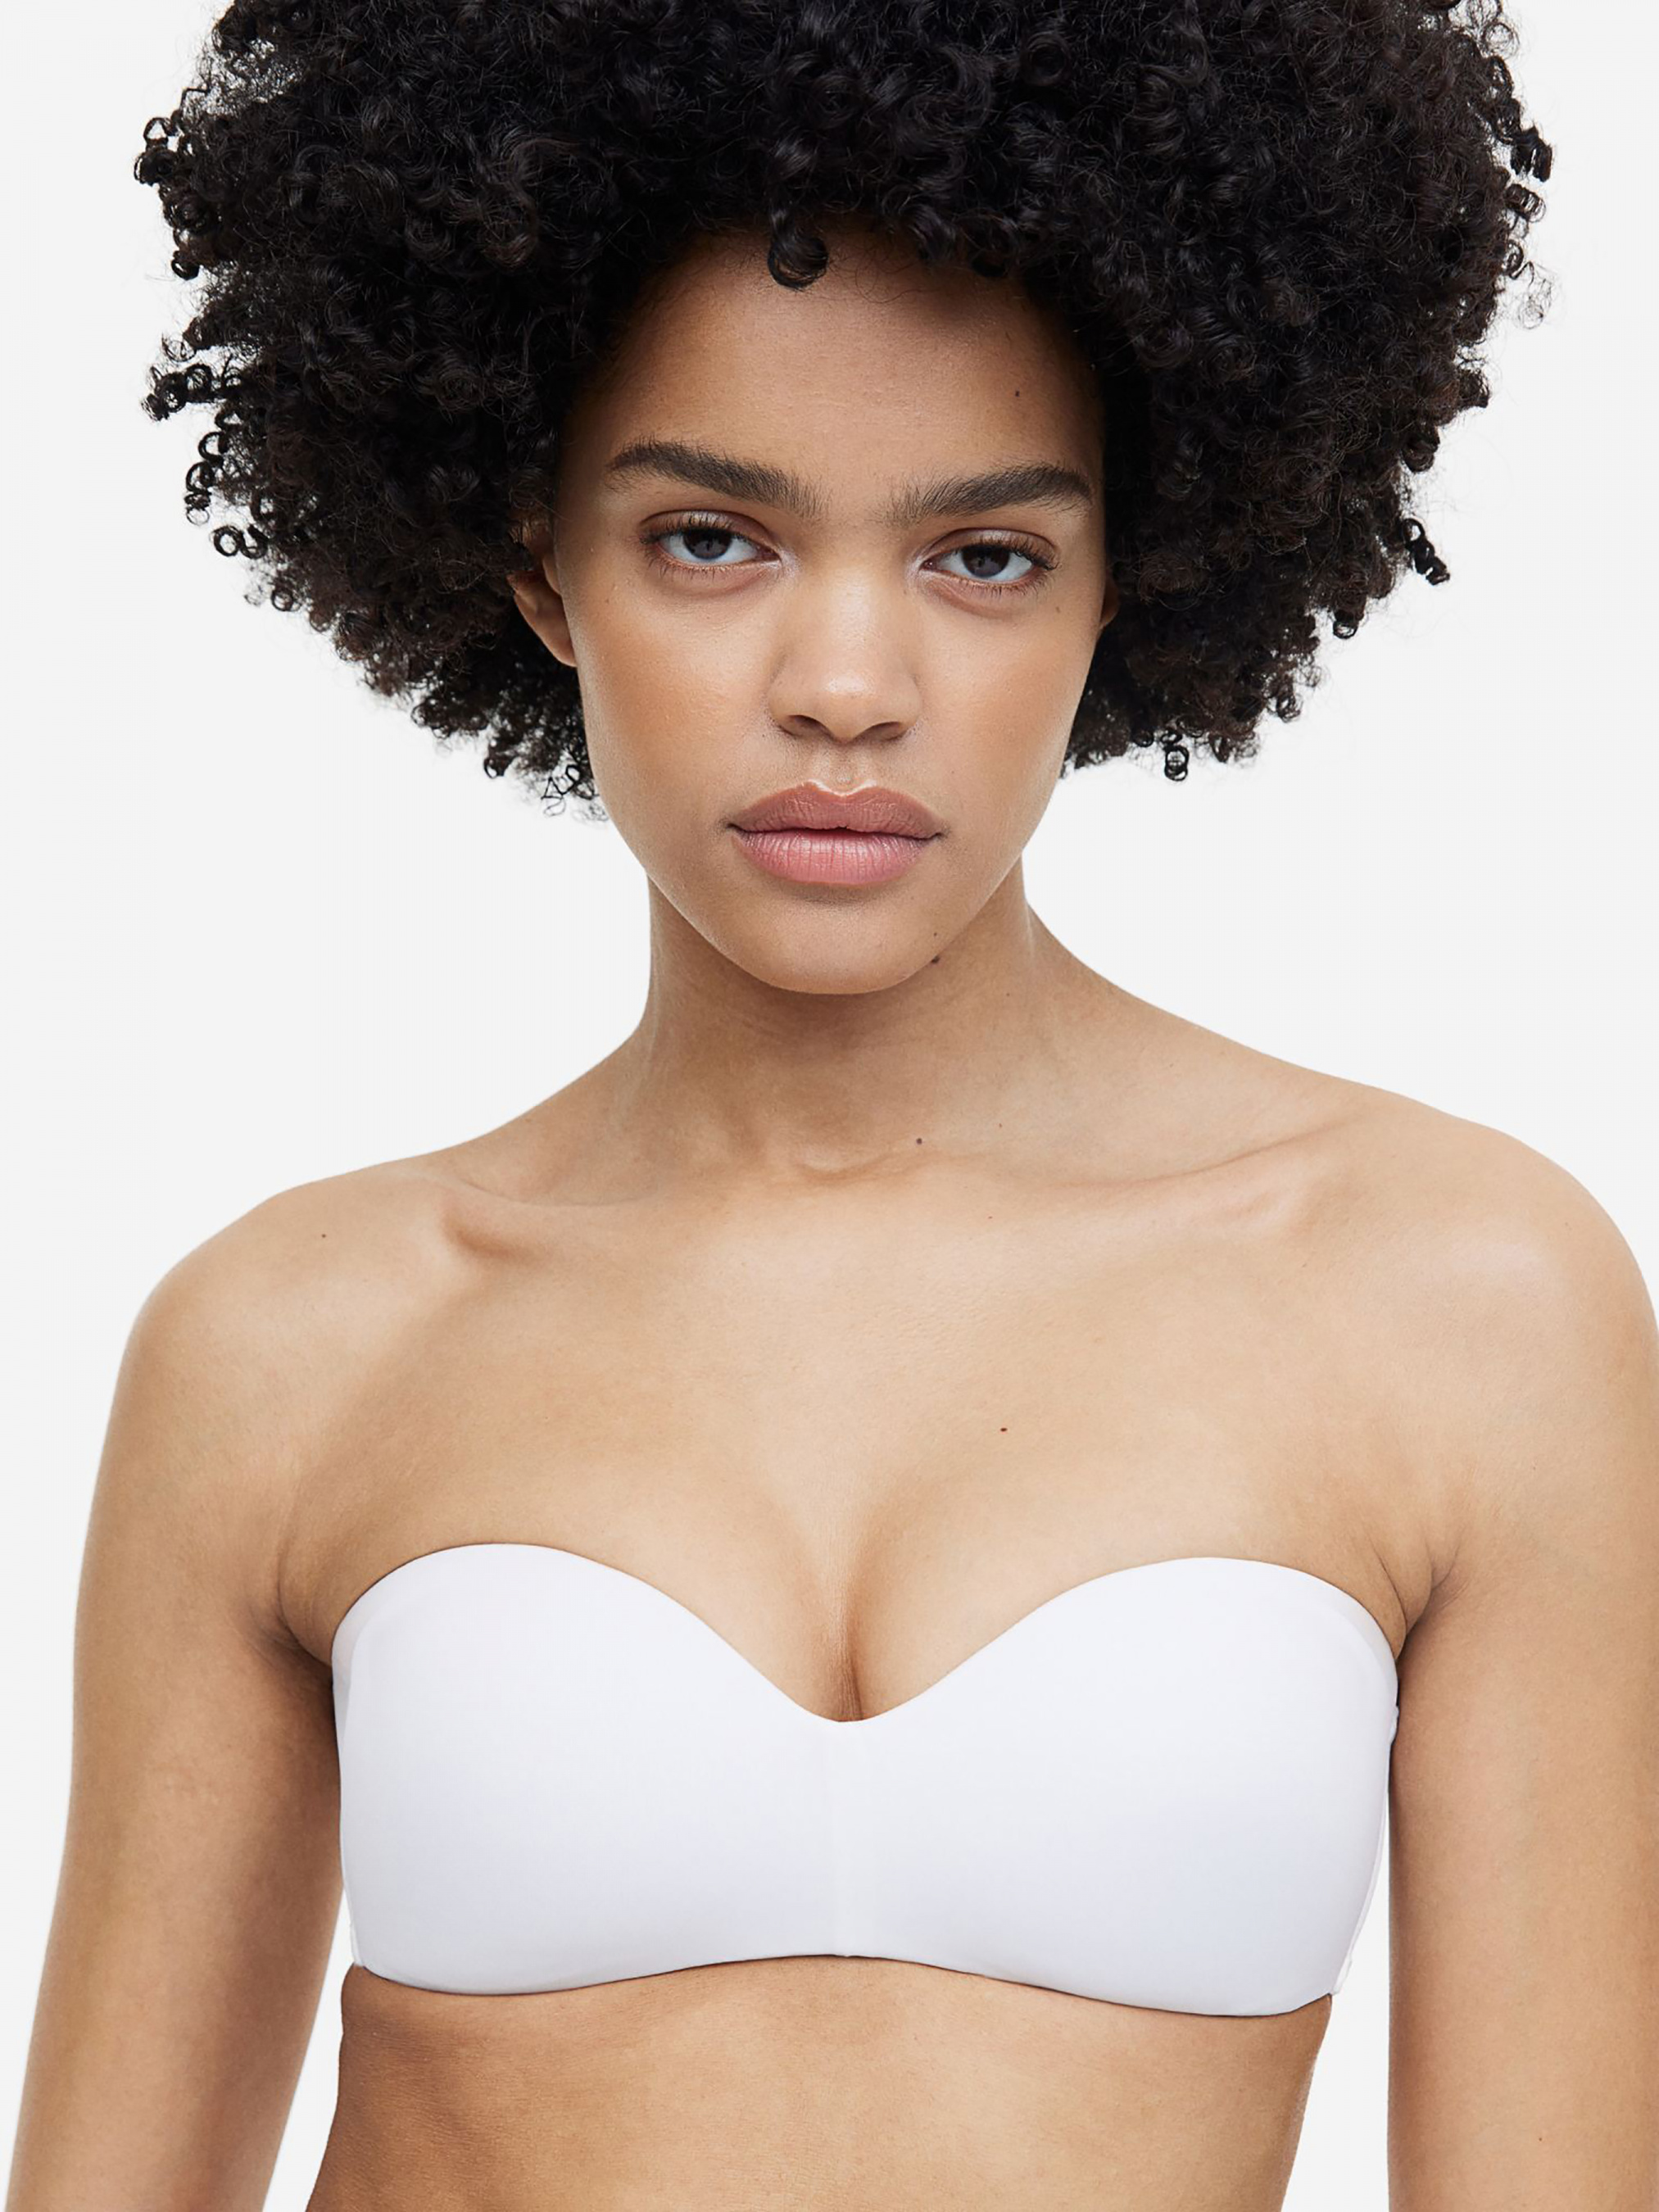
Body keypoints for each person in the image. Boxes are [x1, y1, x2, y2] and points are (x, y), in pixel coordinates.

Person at [9, 2, 1658, 2207]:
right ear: (540, 565)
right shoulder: (292, 1341)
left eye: (985, 556)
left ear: (1128, 578)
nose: (848, 688)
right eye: (713, 538)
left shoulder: (1461, 1297)